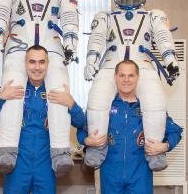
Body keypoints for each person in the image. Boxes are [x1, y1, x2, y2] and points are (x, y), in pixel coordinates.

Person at [0, 0, 79, 175]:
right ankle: (8, 149)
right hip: (18, 42)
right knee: (12, 88)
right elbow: (1, 10)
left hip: (52, 43)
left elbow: (70, 16)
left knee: (58, 93)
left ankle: (60, 151)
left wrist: (71, 40)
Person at [83, 0, 179, 170]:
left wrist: (170, 59)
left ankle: (155, 152)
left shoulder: (153, 15)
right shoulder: (106, 16)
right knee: (97, 101)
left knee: (155, 104)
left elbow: (163, 36)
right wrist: (91, 60)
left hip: (142, 65)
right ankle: (97, 147)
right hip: (111, 64)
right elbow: (97, 38)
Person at [0, 45, 85, 193]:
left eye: (41, 62)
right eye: (32, 62)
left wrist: (71, 103)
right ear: (25, 63)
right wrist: (1, 97)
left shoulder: (57, 90)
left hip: (46, 166)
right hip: (17, 165)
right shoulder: (13, 88)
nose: (37, 67)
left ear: (47, 64)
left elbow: (81, 122)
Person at [78, 60, 183, 194]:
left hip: (140, 177)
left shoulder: (150, 107)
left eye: (131, 75)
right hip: (110, 177)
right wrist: (87, 141)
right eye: (122, 75)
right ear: (115, 77)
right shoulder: (103, 106)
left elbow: (175, 131)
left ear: (138, 78)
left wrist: (165, 146)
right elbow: (82, 130)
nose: (126, 80)